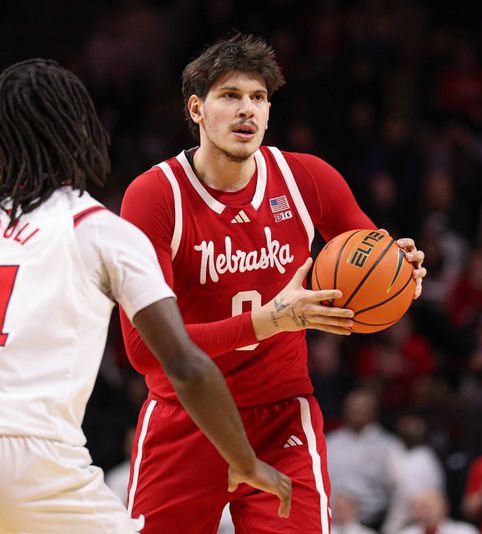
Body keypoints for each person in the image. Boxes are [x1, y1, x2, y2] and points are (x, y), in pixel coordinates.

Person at [0, 58, 291, 534]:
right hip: (29, 457)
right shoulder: (96, 229)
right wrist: (244, 461)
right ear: (81, 130)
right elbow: (187, 367)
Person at [119, 34, 426, 533]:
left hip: (280, 415)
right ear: (196, 109)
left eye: (258, 98)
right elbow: (143, 350)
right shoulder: (155, 196)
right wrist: (266, 321)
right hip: (184, 415)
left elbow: (371, 267)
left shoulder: (307, 179)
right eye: (230, 96)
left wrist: (404, 272)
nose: (247, 111)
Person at [327, 388, 405, 529]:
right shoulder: (329, 443)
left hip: (373, 523)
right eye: (352, 408)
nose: (356, 412)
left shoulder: (389, 446)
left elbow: (400, 490)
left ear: (374, 411)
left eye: (362, 408)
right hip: (331, 523)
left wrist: (391, 527)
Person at [400, 489, 478, 534]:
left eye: (430, 507)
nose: (426, 512)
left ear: (445, 507)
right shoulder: (407, 533)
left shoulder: (465, 531)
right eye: (421, 508)